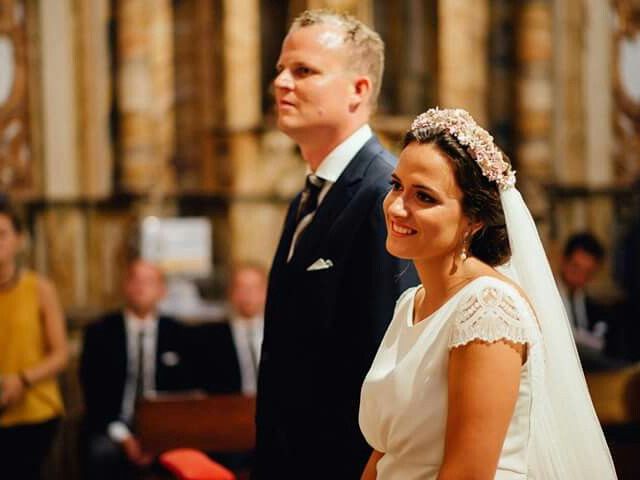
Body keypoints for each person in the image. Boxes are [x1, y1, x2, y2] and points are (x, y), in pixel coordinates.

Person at [359, 108, 617, 479]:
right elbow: (386, 455)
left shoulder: (488, 309)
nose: (397, 207)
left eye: (425, 197)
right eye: (396, 186)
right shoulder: (409, 304)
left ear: (473, 220)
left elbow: (468, 472)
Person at [254, 9, 418, 479]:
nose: (282, 82)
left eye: (303, 71)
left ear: (358, 90)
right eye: (280, 70)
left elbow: (383, 363)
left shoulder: (381, 196)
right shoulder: (308, 196)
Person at [80, 259, 203, 480]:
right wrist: (125, 438)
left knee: (190, 457)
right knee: (101, 451)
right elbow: (94, 393)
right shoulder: (101, 333)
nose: (140, 286)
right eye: (134, 280)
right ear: (125, 286)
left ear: (162, 290)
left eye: (149, 281)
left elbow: (186, 392)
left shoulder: (179, 334)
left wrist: (159, 438)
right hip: (114, 425)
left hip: (166, 428)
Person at [0, 197, 68, 480]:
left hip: (33, 406)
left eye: (1, 235)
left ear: (19, 239)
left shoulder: (39, 288)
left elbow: (60, 354)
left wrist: (22, 379)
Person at [198, 263, 267, 396]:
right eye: (242, 287)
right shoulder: (211, 338)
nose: (248, 294)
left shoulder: (283, 334)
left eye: (255, 288)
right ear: (230, 292)